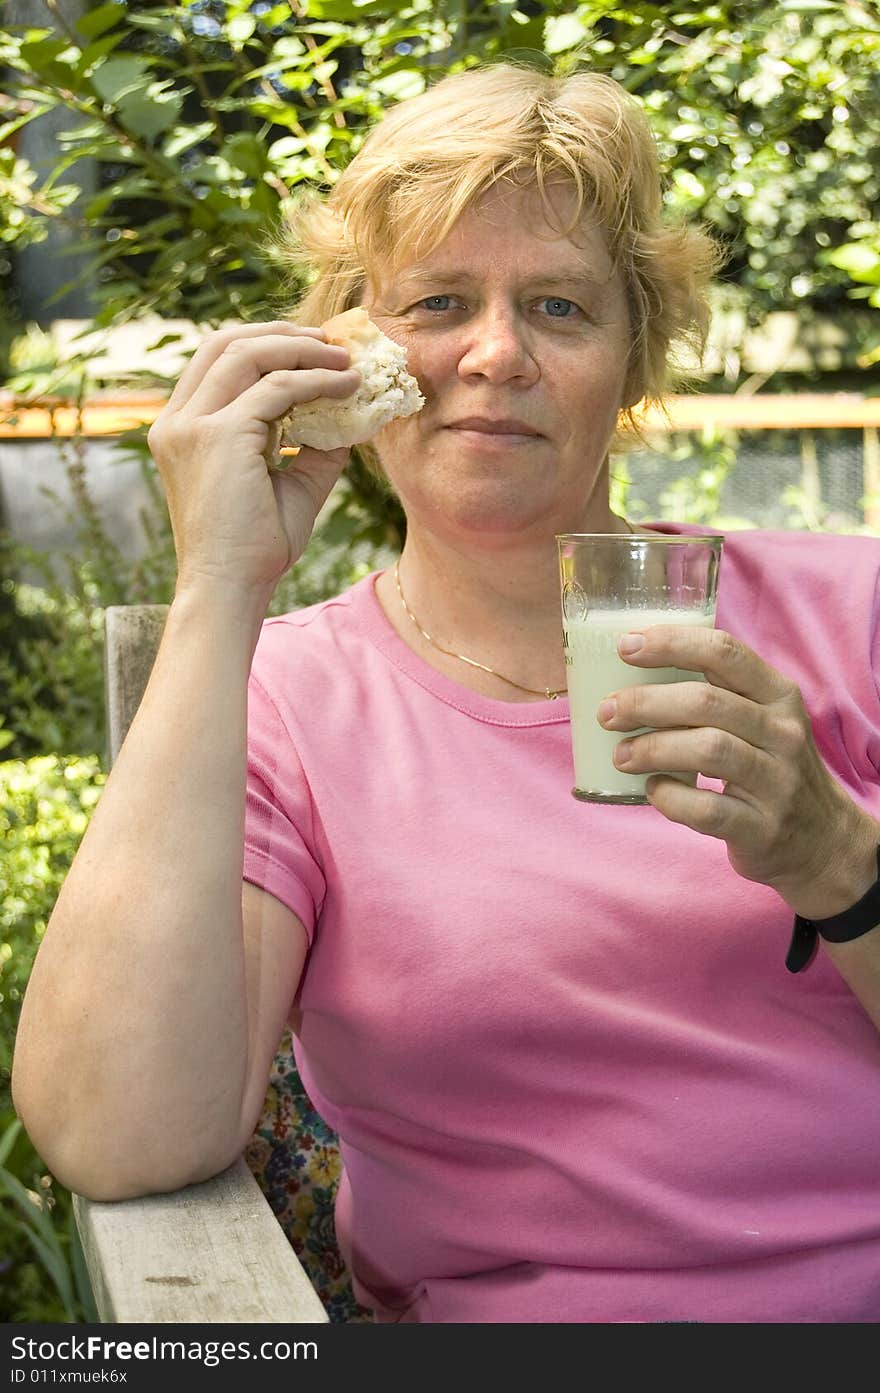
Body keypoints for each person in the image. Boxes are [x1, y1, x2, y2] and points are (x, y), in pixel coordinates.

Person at [11, 62, 880, 1325]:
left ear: (632, 359)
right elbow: (115, 1129)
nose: (494, 353)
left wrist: (840, 861)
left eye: (561, 308)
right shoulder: (287, 705)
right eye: (435, 301)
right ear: (348, 354)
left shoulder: (846, 619)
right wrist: (218, 582)